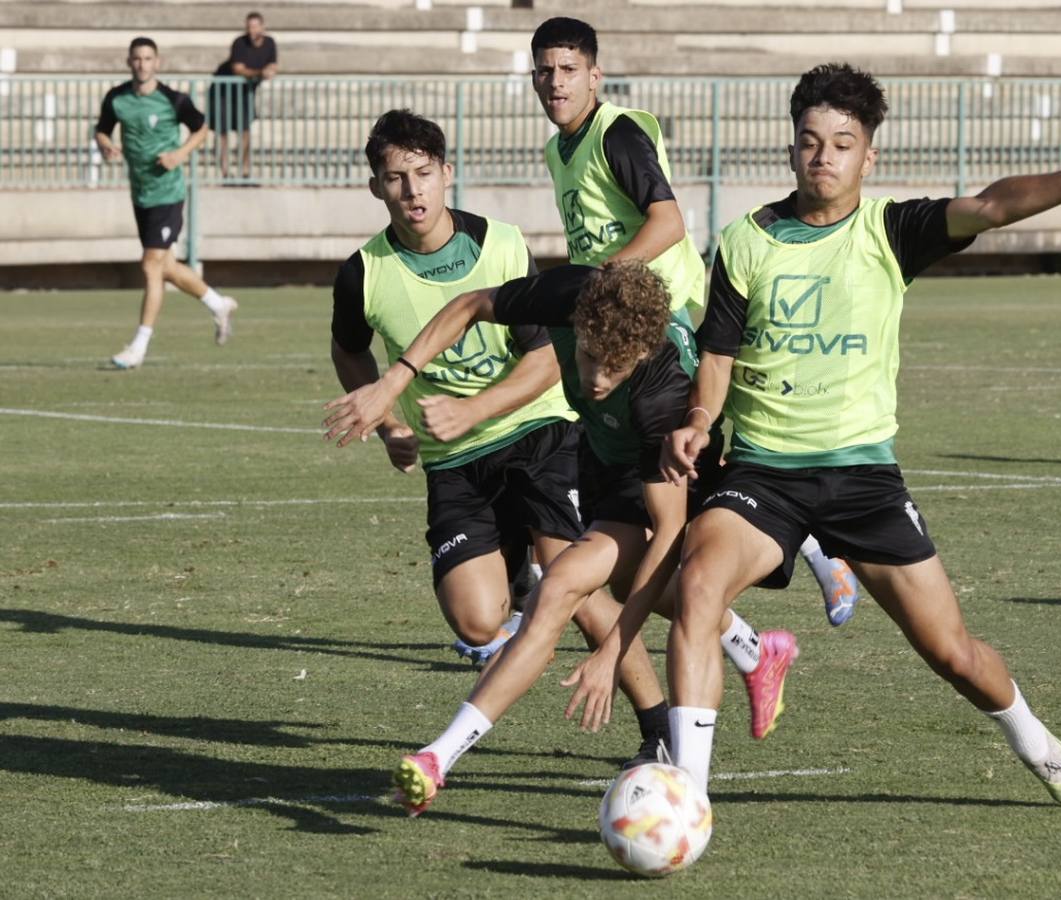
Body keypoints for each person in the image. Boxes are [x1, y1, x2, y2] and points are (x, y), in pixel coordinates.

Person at [660, 62, 1061, 808]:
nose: (823, 156)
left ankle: (1034, 740)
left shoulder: (891, 230)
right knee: (699, 586)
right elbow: (717, 354)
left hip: (863, 478)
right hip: (763, 476)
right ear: (790, 149)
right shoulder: (746, 240)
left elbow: (992, 206)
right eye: (810, 141)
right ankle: (689, 796)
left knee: (952, 653)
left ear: (871, 156)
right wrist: (701, 420)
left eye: (842, 143)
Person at [323, 259, 800, 816]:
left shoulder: (660, 397)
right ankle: (756, 649)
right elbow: (471, 305)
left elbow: (669, 528)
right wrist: (392, 383)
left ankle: (438, 757)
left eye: (613, 367)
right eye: (590, 356)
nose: (596, 377)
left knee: (570, 584)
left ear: (642, 355)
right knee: (602, 585)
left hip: (670, 477)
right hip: (600, 457)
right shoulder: (572, 295)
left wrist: (614, 651)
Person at [323, 110, 672, 802]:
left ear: (447, 173)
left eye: (424, 173)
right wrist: (390, 420)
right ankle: (521, 579)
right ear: (376, 188)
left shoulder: (503, 247)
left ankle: (659, 726)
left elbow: (548, 360)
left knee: (576, 590)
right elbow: (348, 346)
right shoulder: (363, 271)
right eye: (396, 179)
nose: (413, 191)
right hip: (453, 459)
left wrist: (475, 409)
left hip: (540, 436)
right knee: (477, 620)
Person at [530, 15, 863, 627]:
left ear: (595, 76)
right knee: (664, 480)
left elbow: (668, 223)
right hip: (617, 325)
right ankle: (751, 624)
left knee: (683, 473)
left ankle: (818, 546)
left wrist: (603, 279)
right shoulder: (558, 148)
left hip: (665, 321)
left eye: (570, 70)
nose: (557, 82)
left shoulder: (617, 133)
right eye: (546, 71)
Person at [95, 36, 237, 370]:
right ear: (129, 62)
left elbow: (202, 128)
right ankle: (218, 304)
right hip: (141, 194)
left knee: (150, 266)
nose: (142, 64)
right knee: (166, 267)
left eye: (148, 58)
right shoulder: (117, 98)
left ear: (157, 62)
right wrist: (105, 145)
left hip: (169, 194)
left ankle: (139, 346)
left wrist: (179, 154)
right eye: (137, 59)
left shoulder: (173, 99)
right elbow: (101, 130)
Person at [215, 11, 277, 180]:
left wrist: (267, 72)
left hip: (245, 93)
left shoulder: (270, 43)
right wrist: (260, 73)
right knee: (224, 132)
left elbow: (272, 66)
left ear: (263, 27)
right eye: (249, 27)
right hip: (224, 92)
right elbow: (238, 69)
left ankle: (245, 171)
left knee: (245, 131)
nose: (252, 30)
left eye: (256, 26)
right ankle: (225, 171)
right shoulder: (240, 43)